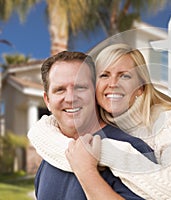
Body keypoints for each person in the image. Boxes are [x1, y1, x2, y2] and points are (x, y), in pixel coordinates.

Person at [30, 44, 171, 199]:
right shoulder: (57, 146)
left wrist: (97, 158)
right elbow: (43, 131)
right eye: (105, 75)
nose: (112, 84)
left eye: (124, 76)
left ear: (141, 87)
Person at [29, 51, 157, 200]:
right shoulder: (52, 153)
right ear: (47, 101)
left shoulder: (131, 149)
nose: (70, 98)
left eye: (80, 87)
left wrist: (87, 171)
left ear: (95, 93)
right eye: (60, 90)